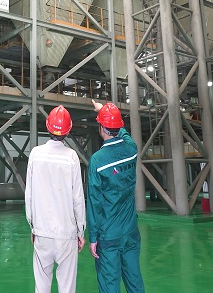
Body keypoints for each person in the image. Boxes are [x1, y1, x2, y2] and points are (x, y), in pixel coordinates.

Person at [25, 105, 86, 293]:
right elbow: (78, 198)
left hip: (42, 232)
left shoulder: (35, 154)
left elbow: (29, 196)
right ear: (68, 130)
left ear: (47, 126)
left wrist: (33, 226)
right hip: (67, 234)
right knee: (67, 287)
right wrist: (81, 231)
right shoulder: (71, 157)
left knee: (41, 286)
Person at [87, 100, 145, 293]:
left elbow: (94, 202)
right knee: (134, 282)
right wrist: (106, 112)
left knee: (109, 285)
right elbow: (125, 134)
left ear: (102, 127)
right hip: (130, 231)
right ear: (118, 127)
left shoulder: (97, 160)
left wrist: (93, 237)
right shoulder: (131, 150)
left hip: (108, 235)